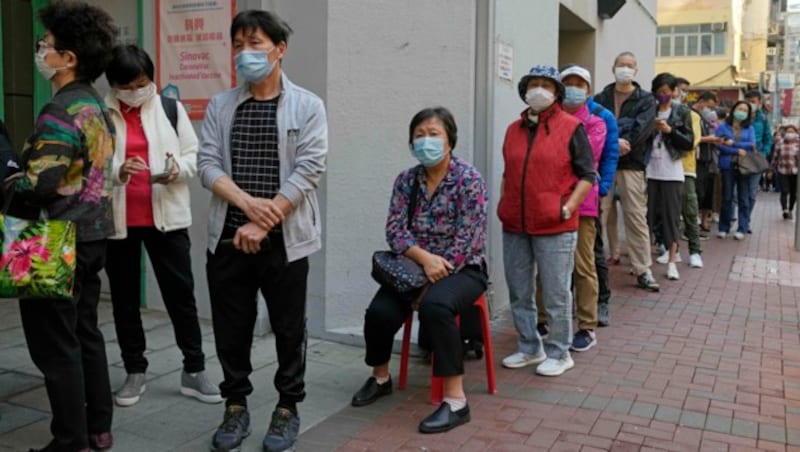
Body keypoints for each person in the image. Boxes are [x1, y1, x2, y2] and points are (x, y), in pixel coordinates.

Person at [197, 10, 328, 452]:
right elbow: (207, 164)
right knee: (231, 329)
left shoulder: (308, 105)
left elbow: (310, 168)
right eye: (238, 45)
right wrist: (247, 206)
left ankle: (287, 407)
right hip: (229, 239)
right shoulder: (220, 105)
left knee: (290, 329)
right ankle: (235, 406)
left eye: (255, 43)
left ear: (280, 49)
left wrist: (264, 218)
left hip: (284, 243)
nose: (245, 53)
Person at [5, 2, 117, 451]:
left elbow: (40, 181)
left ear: (68, 58)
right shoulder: (96, 106)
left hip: (52, 243)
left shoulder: (60, 109)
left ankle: (69, 440)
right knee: (85, 332)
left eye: (45, 44)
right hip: (92, 237)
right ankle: (98, 426)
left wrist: (14, 176)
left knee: (56, 347)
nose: (40, 51)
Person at [351, 107, 488, 434]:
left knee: (436, 305)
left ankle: (456, 401)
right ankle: (380, 377)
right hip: (413, 267)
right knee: (379, 312)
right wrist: (423, 260)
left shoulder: (469, 180)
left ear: (450, 139)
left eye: (434, 133)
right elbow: (395, 230)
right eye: (419, 135)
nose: (426, 141)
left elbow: (469, 237)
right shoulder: (406, 180)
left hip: (463, 268)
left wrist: (433, 274)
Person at [103, 44, 222, 407]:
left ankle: (194, 369)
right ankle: (134, 370)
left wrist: (175, 170)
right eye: (130, 85)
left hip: (166, 218)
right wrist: (116, 172)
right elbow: (91, 164)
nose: (139, 91)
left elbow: (194, 154)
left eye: (144, 83)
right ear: (115, 85)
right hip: (119, 221)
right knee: (124, 300)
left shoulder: (169, 107)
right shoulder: (101, 114)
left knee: (180, 296)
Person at [498, 65, 595, 376]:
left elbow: (587, 175)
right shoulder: (513, 129)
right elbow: (508, 172)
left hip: (555, 224)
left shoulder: (570, 127)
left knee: (555, 293)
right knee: (519, 290)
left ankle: (559, 351)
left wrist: (567, 208)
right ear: (525, 90)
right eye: (533, 84)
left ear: (556, 93)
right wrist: (504, 203)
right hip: (515, 222)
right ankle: (529, 346)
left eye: (546, 85)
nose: (538, 90)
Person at [534, 65, 610, 351]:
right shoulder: (545, 121)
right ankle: (543, 319)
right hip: (549, 203)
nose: (575, 88)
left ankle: (587, 326)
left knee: (582, 266)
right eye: (569, 83)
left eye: (581, 84)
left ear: (589, 91)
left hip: (582, 204)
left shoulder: (595, 123)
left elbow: (582, 158)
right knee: (546, 265)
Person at [594, 51, 660, 293]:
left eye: (630, 65)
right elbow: (596, 126)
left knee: (635, 216)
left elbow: (642, 129)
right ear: (613, 68)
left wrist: (621, 139)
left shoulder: (645, 99)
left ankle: (643, 269)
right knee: (598, 213)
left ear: (636, 71)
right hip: (603, 163)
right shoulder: (601, 97)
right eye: (621, 64)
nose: (625, 69)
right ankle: (592, 265)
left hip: (631, 163)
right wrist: (614, 141)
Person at [646, 73, 694, 281]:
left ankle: (672, 262)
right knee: (646, 218)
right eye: (659, 92)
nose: (662, 96)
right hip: (650, 170)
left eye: (666, 92)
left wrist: (669, 130)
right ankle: (644, 261)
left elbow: (688, 142)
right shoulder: (650, 110)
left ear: (673, 92)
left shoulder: (681, 112)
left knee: (671, 218)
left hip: (672, 171)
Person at [666, 77, 704, 269]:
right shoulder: (659, 113)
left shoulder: (692, 116)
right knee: (668, 213)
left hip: (685, 169)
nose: (674, 95)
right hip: (663, 169)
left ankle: (695, 251)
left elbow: (693, 141)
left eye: (679, 92)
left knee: (689, 210)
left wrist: (672, 136)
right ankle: (672, 250)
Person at [716, 101, 755, 240]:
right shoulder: (723, 126)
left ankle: (742, 228)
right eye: (740, 109)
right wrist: (737, 150)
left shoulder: (749, 128)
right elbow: (719, 145)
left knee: (744, 198)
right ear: (733, 110)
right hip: (727, 165)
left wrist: (734, 144)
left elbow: (751, 144)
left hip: (744, 167)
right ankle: (723, 227)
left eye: (745, 110)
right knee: (727, 197)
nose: (742, 112)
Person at [744, 90, 773, 229]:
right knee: (737, 194)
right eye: (748, 101)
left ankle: (746, 221)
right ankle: (737, 221)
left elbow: (769, 139)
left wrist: (764, 153)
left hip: (756, 160)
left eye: (753, 102)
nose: (751, 104)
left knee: (751, 192)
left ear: (759, 103)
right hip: (739, 157)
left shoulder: (764, 119)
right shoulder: (740, 116)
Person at [692, 91, 720, 233]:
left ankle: (704, 220)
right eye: (709, 106)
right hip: (696, 160)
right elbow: (693, 138)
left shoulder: (708, 120)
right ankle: (693, 222)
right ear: (701, 102)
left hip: (709, 160)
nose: (710, 110)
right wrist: (709, 139)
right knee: (698, 192)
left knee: (709, 193)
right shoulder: (691, 115)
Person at [772, 124, 799, 219]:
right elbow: (775, 156)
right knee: (784, 190)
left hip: (795, 172)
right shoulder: (780, 143)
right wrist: (771, 169)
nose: (790, 134)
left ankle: (791, 209)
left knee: (793, 192)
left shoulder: (798, 143)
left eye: (792, 131)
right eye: (788, 131)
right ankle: (785, 209)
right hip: (782, 170)